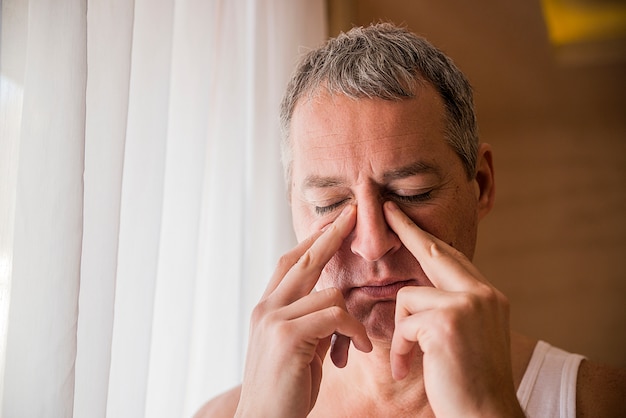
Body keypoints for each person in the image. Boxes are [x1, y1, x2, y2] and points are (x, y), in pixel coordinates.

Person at [197, 23, 625, 417]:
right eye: (329, 203)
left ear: (481, 184)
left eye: (411, 194)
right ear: (291, 205)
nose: (371, 243)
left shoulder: (603, 401)